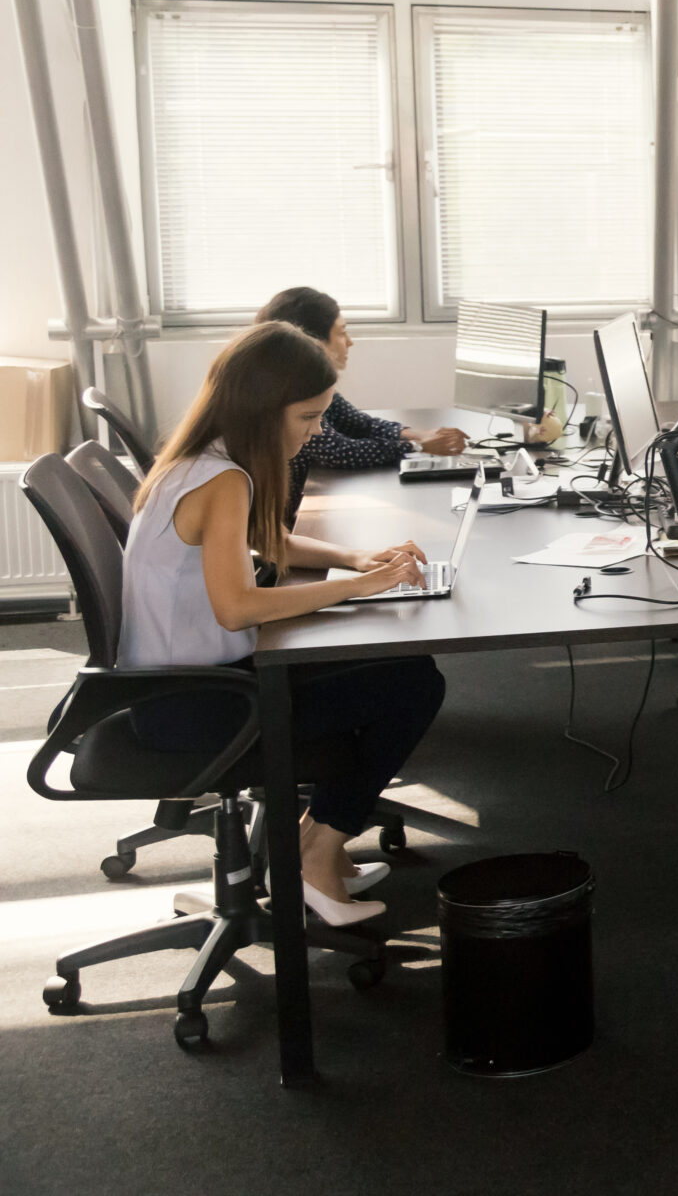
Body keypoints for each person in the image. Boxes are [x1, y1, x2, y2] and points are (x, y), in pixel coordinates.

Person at [120, 322, 446, 927]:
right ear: (263, 410)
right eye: (307, 417)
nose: (318, 430)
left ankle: (312, 844)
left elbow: (266, 543)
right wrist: (361, 587)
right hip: (203, 704)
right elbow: (238, 607)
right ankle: (315, 856)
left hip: (178, 686)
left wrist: (353, 559)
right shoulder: (224, 481)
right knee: (414, 686)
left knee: (400, 667)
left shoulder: (201, 458)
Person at [256, 287, 467, 523]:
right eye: (342, 333)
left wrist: (419, 435)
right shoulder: (290, 394)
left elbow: (359, 423)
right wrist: (417, 447)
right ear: (312, 339)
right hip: (285, 529)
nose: (350, 342)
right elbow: (341, 452)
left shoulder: (312, 382)